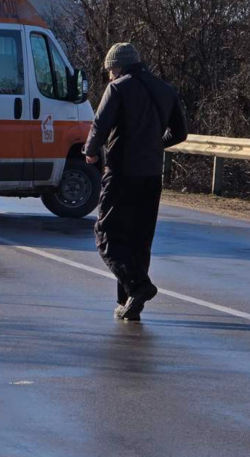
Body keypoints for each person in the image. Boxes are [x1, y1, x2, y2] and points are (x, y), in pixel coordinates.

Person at [82, 43, 187, 322]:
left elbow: (100, 124)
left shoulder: (118, 88)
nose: (108, 76)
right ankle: (129, 302)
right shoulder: (165, 89)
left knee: (106, 235)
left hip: (121, 172)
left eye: (109, 70)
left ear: (119, 66)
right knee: (139, 239)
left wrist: (90, 151)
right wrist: (155, 145)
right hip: (151, 175)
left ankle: (139, 287)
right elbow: (180, 133)